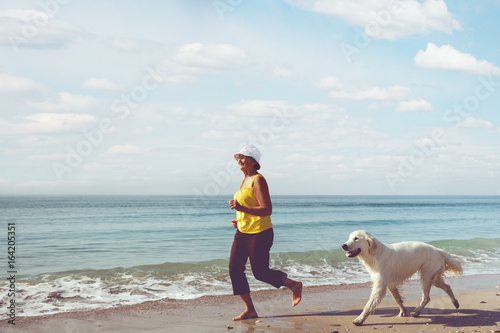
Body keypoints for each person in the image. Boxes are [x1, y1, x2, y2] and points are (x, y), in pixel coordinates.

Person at [228, 145, 302, 321]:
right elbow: (250, 208)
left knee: (260, 272)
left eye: (243, 157)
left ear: (254, 161)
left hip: (260, 233)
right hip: (243, 231)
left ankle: (294, 285)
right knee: (234, 269)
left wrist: (240, 207)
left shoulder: (258, 180)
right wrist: (240, 219)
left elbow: (266, 209)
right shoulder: (243, 181)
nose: (239, 160)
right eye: (238, 157)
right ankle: (250, 310)